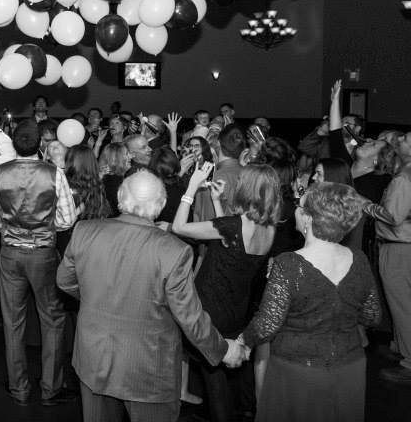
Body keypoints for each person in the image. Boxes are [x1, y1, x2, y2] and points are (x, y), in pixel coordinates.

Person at [57, 170, 245, 422]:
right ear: (161, 204)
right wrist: (223, 349)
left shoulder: (84, 230)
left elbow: (64, 280)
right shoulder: (174, 250)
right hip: (148, 371)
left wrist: (96, 298)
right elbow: (189, 317)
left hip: (94, 359)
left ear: (121, 197)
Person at [239, 183, 381, 421]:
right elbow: (372, 316)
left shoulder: (289, 264)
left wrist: (242, 343)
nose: (295, 208)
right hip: (350, 367)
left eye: (299, 205)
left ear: (308, 219)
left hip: (298, 372)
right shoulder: (359, 260)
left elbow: (267, 325)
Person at [0, 119, 77, 406]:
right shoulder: (54, 173)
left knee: (12, 321)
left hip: (10, 253)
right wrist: (45, 229)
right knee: (52, 319)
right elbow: (67, 219)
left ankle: (19, 389)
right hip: (44, 254)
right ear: (40, 145)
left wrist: (6, 229)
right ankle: (50, 389)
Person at [170, 164, 280, 422]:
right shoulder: (270, 229)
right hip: (235, 308)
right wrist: (217, 200)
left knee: (213, 375)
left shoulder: (232, 225)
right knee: (223, 374)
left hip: (210, 309)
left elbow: (179, 227)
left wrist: (191, 187)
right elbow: (230, 242)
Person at [364, 130, 411, 384]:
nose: (400, 139)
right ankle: (401, 347)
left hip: (399, 247)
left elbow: (393, 216)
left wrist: (365, 204)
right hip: (404, 245)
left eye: (406, 139)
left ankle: (409, 362)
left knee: (402, 304)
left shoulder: (404, 178)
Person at [98, 143, 131, 211]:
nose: (131, 156)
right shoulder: (113, 182)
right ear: (117, 159)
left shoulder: (113, 177)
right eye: (127, 154)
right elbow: (120, 210)